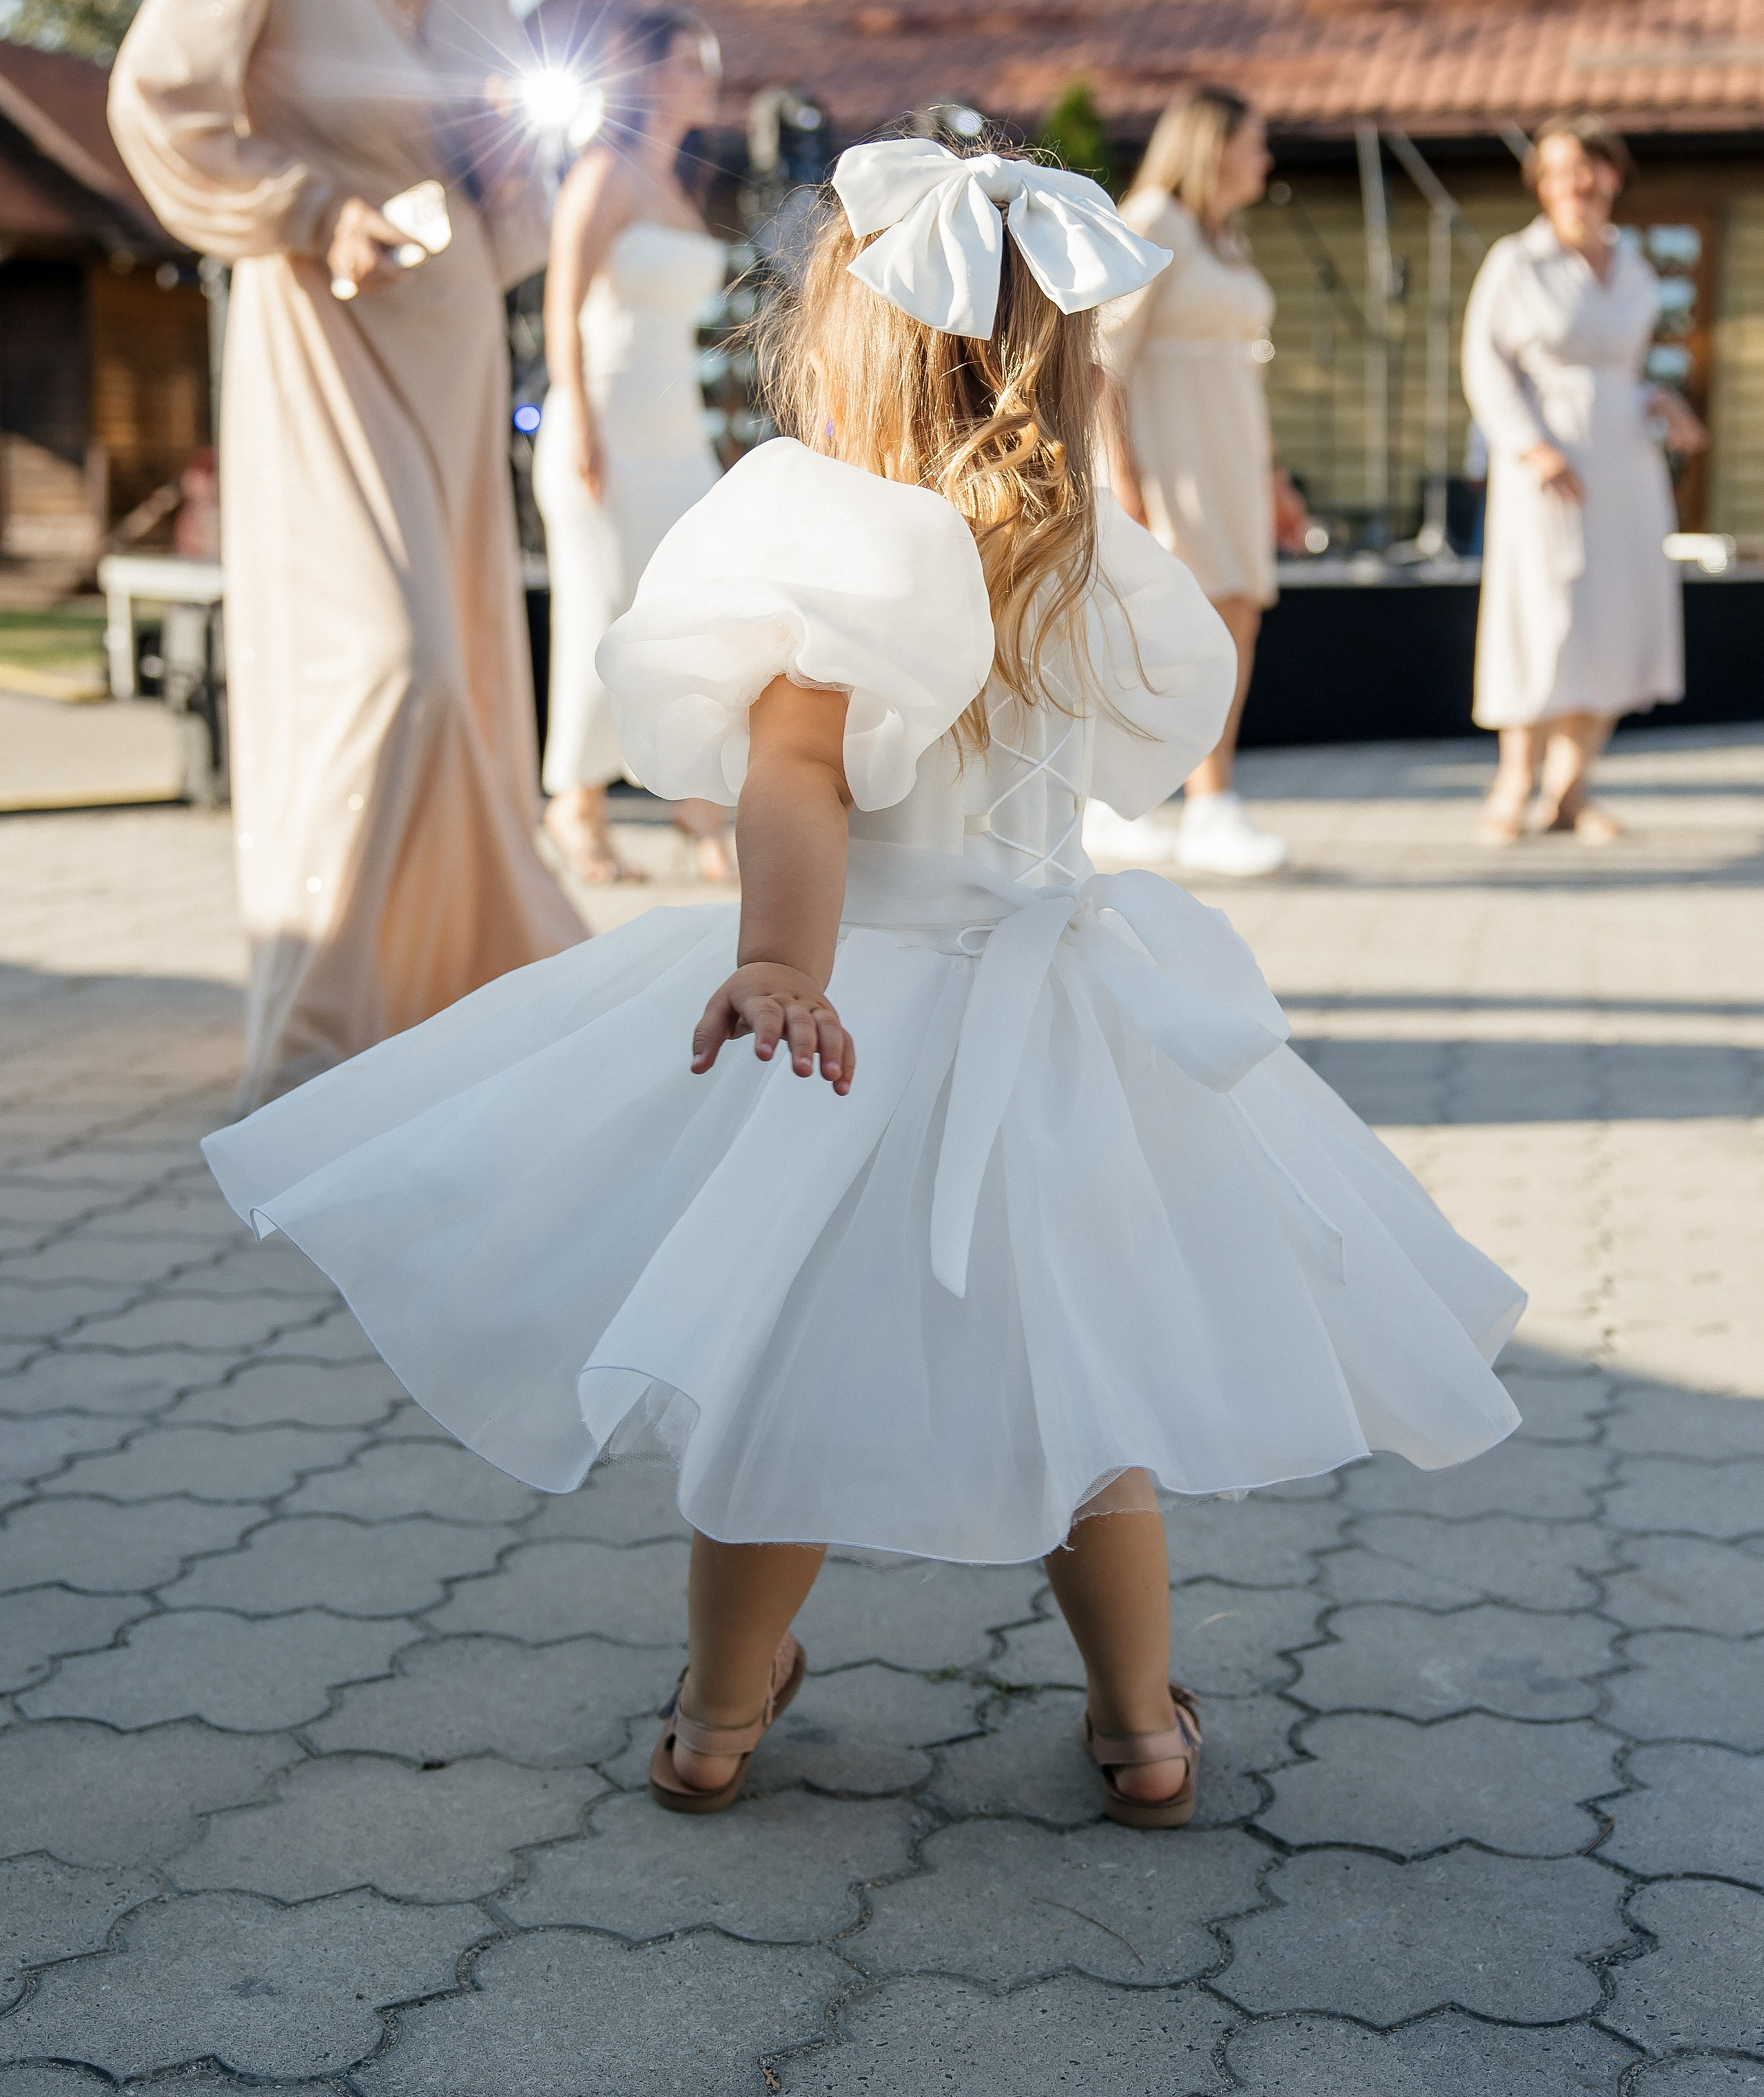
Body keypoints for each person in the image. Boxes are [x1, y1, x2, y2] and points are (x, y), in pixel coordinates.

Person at [203, 139, 1524, 1830]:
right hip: (1060, 1022)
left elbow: (797, 778)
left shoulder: (828, 544)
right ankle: (1141, 1729)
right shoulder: (1082, 555)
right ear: (1059, 358)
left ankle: (717, 1714)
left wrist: (775, 960)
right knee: (1082, 1385)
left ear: (849, 345)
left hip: (858, 1014)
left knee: (777, 1375)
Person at [110, 0, 583, 1110]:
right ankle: (319, 1030)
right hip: (321, 323)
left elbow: (505, 154)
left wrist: (519, 202)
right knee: (392, 661)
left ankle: (461, 997)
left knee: (465, 667)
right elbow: (157, 103)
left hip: (450, 337)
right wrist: (312, 211)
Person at [532, 6, 734, 883]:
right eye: (690, 61)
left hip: (676, 428)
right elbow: (560, 302)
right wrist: (576, 417)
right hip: (604, 421)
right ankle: (575, 805)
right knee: (601, 609)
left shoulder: (680, 187)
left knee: (694, 610)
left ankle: (697, 803)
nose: (706, 77)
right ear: (648, 75)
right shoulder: (603, 173)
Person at [1464, 115, 1704, 843]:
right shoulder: (1516, 262)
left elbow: (1617, 371)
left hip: (1624, 462)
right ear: (1541, 181)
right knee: (1541, 614)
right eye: (1562, 169)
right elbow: (1485, 365)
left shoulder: (1631, 265)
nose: (1578, 183)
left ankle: (1571, 789)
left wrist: (1658, 399)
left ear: (1612, 177)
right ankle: (1515, 782)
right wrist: (1527, 446)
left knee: (1614, 614)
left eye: (1591, 168)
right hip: (1547, 462)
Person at [1094, 88, 1305, 877]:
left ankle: (1210, 803)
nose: (1265, 158)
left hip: (1230, 452)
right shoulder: (1153, 219)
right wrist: (1123, 480)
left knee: (1236, 617)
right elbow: (1103, 360)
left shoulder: (1225, 236)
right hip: (1167, 452)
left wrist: (1274, 478)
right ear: (1211, 146)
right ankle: (1137, 802)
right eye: (1254, 142)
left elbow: (1241, 369)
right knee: (1172, 629)